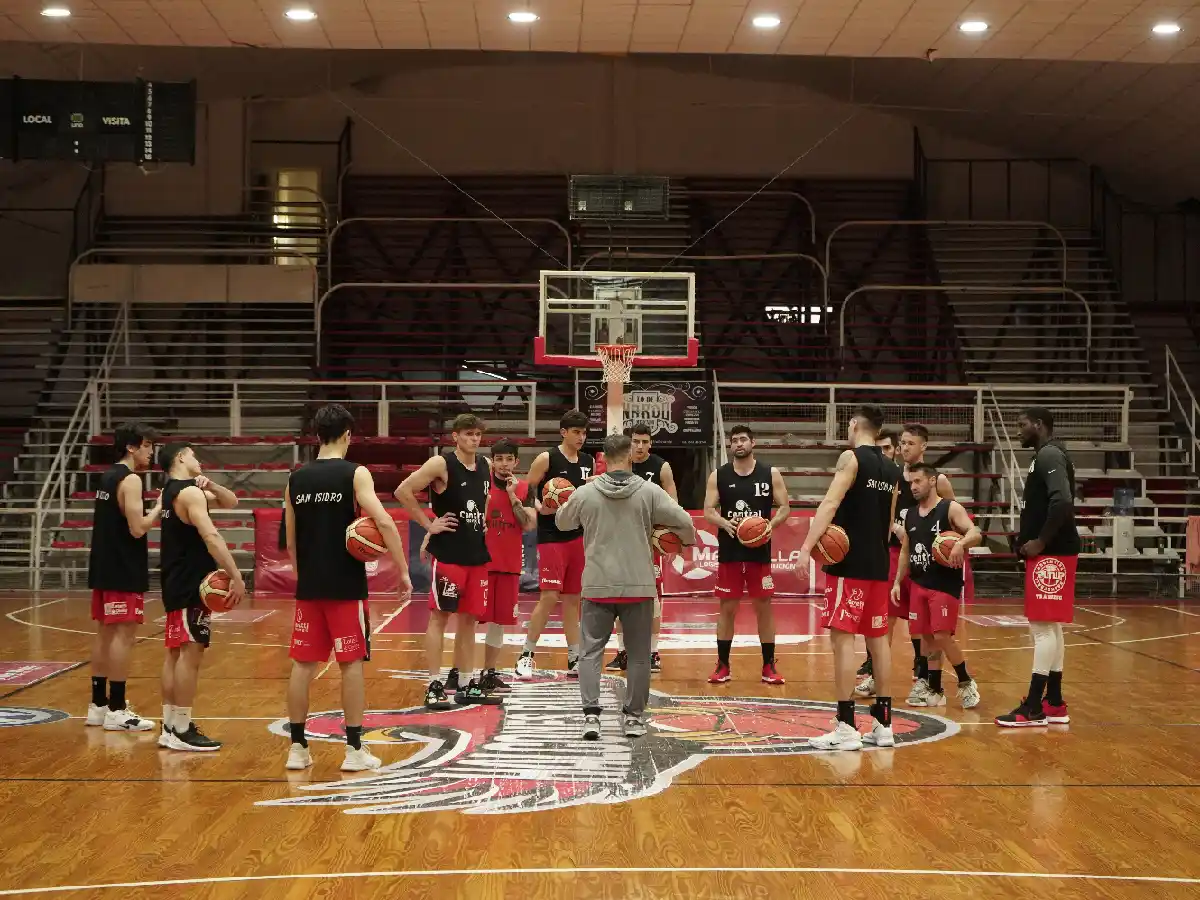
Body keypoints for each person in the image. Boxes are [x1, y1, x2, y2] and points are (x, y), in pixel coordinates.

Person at [285, 404, 412, 772]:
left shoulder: (295, 479)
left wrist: (305, 578)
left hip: (310, 587)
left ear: (317, 435)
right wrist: (403, 570)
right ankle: (354, 750)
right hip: (345, 586)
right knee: (350, 663)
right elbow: (383, 522)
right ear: (347, 435)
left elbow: (291, 542)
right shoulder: (355, 473)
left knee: (302, 666)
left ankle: (297, 748)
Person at [555, 433, 695, 739]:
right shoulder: (650, 491)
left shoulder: (586, 492)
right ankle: (633, 719)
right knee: (640, 655)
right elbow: (685, 521)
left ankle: (591, 717)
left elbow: (562, 523)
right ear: (630, 456)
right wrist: (682, 541)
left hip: (598, 584)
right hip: (638, 585)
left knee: (590, 654)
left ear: (603, 459)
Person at [797, 404, 901, 751]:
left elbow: (829, 503)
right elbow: (889, 522)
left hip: (849, 565)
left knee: (842, 641)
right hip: (878, 563)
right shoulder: (892, 468)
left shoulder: (851, 458)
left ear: (855, 424)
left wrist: (806, 547)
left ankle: (845, 726)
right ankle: (884, 725)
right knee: (878, 642)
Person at [397, 413, 497, 709]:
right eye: (468, 434)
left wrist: (482, 521)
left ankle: (466, 683)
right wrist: (429, 526)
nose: (474, 439)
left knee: (469, 621)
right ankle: (434, 684)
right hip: (450, 555)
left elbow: (484, 499)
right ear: (455, 436)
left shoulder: (485, 465)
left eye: (477, 434)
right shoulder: (441, 464)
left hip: (476, 554)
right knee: (439, 618)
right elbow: (403, 491)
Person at [858, 422, 956, 700]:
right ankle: (876, 675)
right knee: (883, 619)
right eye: (902, 443)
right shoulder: (892, 476)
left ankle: (926, 678)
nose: (904, 448)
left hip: (927, 559)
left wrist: (943, 544)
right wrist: (893, 530)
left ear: (924, 446)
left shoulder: (938, 480)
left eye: (910, 443)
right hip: (894, 554)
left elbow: (952, 515)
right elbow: (885, 515)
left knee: (927, 626)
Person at [157, 442, 244, 751]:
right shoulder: (189, 494)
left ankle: (169, 726)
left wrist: (213, 486)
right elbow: (211, 536)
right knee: (190, 655)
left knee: (174, 654)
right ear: (181, 457)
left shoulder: (173, 491)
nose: (199, 460)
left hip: (173, 578)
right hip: (190, 581)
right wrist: (236, 575)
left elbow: (231, 501)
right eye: (193, 455)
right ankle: (181, 729)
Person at [996, 407, 1079, 727]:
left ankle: (1033, 706)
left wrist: (1041, 541)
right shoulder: (1044, 456)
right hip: (1053, 552)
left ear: (1039, 425)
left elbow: (1062, 501)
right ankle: (1054, 702)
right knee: (1051, 627)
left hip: (1052, 553)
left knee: (1042, 628)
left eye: (1022, 425)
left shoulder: (1049, 455)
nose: (1018, 430)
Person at [85, 422, 161, 732]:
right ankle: (117, 708)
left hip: (104, 566)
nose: (151, 451)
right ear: (131, 447)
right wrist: (159, 507)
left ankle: (98, 705)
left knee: (104, 633)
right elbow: (138, 528)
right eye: (147, 445)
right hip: (122, 567)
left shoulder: (107, 476)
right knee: (123, 636)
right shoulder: (130, 480)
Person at [703, 425, 791, 685]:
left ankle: (768, 665)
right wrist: (723, 522)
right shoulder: (719, 475)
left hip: (759, 552)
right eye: (734, 440)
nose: (739, 444)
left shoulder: (770, 473)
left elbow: (785, 507)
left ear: (753, 442)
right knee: (727, 608)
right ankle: (723, 665)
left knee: (763, 607)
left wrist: (769, 526)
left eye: (743, 439)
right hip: (730, 552)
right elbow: (708, 510)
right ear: (730, 445)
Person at [893, 463, 981, 710]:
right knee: (926, 639)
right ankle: (935, 689)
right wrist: (897, 581)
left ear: (932, 481)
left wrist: (960, 544)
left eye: (918, 481)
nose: (913, 486)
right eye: (911, 482)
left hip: (944, 583)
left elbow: (976, 532)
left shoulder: (949, 508)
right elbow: (905, 550)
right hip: (918, 582)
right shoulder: (910, 514)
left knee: (942, 635)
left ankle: (966, 682)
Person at [515, 410, 595, 678]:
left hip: (578, 536)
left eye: (584, 433)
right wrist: (541, 508)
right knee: (549, 596)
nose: (581, 437)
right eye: (576, 432)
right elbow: (527, 490)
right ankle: (526, 655)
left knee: (573, 599)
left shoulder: (588, 461)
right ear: (563, 432)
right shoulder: (547, 458)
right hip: (551, 537)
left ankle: (574, 657)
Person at [607, 422, 678, 674]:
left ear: (651, 443)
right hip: (620, 539)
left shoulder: (661, 466)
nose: (639, 446)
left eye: (644, 442)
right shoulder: (619, 466)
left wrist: (668, 536)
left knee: (652, 598)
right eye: (635, 441)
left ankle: (652, 652)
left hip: (648, 542)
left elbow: (672, 505)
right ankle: (622, 652)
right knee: (619, 596)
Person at [481, 438, 537, 690]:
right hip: (480, 563)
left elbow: (528, 524)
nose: (504, 464)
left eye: (509, 459)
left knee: (498, 624)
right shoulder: (481, 484)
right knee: (467, 620)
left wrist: (513, 496)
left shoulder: (524, 488)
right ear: (492, 461)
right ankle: (460, 673)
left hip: (508, 565)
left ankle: (488, 672)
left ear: (516, 461)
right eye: (499, 459)